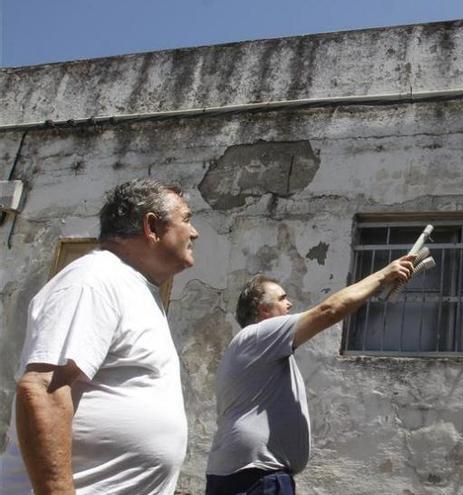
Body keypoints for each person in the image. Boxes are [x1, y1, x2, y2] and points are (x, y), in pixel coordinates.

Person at [0, 178, 200, 494]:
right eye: (186, 219)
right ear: (151, 227)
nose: (194, 232)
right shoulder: (94, 280)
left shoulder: (133, 287)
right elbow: (43, 389)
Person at [205, 256, 415, 495]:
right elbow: (329, 311)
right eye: (282, 299)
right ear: (264, 310)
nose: (290, 304)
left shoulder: (257, 348)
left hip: (245, 475)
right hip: (256, 478)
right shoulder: (259, 334)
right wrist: (383, 276)